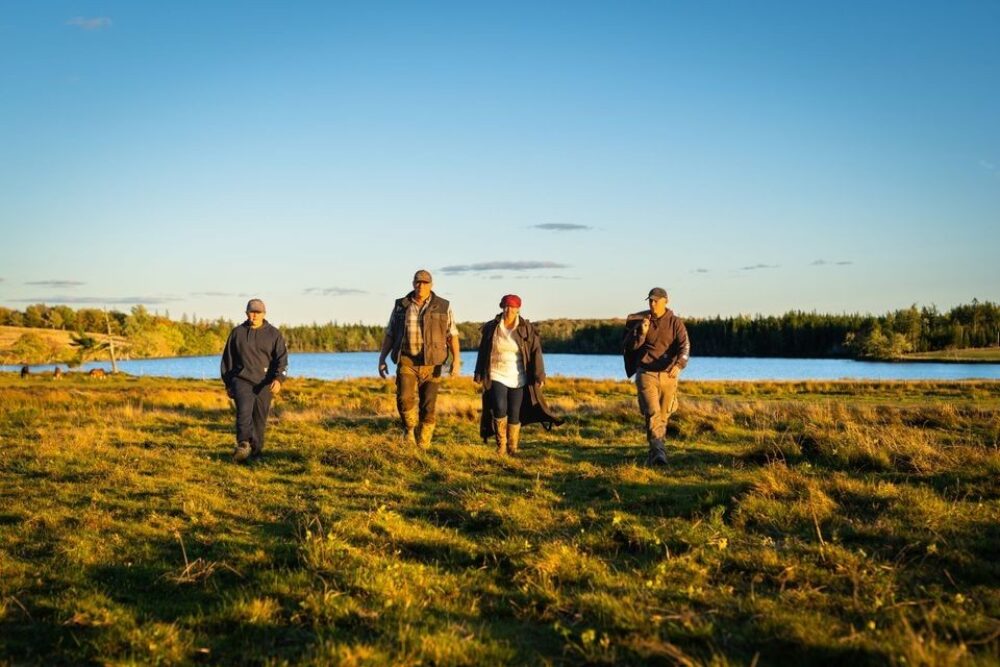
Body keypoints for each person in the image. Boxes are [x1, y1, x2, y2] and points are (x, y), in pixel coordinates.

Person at [377, 270, 461, 447]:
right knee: (404, 398)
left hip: (433, 364)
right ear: (413, 283)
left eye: (424, 283)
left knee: (428, 405)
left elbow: (452, 335)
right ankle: (409, 428)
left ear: (431, 285)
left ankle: (423, 444)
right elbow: (390, 334)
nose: (420, 286)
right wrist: (382, 359)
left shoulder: (443, 306)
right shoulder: (401, 305)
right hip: (407, 360)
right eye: (418, 282)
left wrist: (456, 361)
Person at [474, 294, 561, 455]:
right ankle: (501, 446)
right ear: (502, 307)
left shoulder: (526, 328)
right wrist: (479, 372)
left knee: (515, 412)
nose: (509, 310)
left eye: (512, 307)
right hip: (496, 372)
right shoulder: (492, 327)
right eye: (506, 306)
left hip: (518, 376)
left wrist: (539, 375)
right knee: (500, 407)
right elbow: (483, 351)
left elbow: (536, 352)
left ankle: (512, 447)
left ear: (518, 309)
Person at [623, 287, 690, 466]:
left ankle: (655, 452)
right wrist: (642, 333)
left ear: (665, 301)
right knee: (652, 413)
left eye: (656, 301)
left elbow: (685, 347)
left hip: (669, 375)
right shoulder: (642, 322)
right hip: (646, 373)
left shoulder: (676, 323)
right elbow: (630, 348)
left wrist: (679, 365)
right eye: (650, 301)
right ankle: (659, 454)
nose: (652, 304)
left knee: (663, 416)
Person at [221, 298, 289, 463]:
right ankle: (243, 445)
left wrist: (278, 379)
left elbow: (282, 360)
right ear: (246, 313)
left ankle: (256, 453)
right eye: (252, 312)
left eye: (258, 313)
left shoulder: (274, 334)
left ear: (264, 314)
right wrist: (228, 383)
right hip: (242, 380)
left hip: (264, 383)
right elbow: (227, 360)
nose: (254, 316)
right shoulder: (237, 333)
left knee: (259, 419)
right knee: (243, 413)